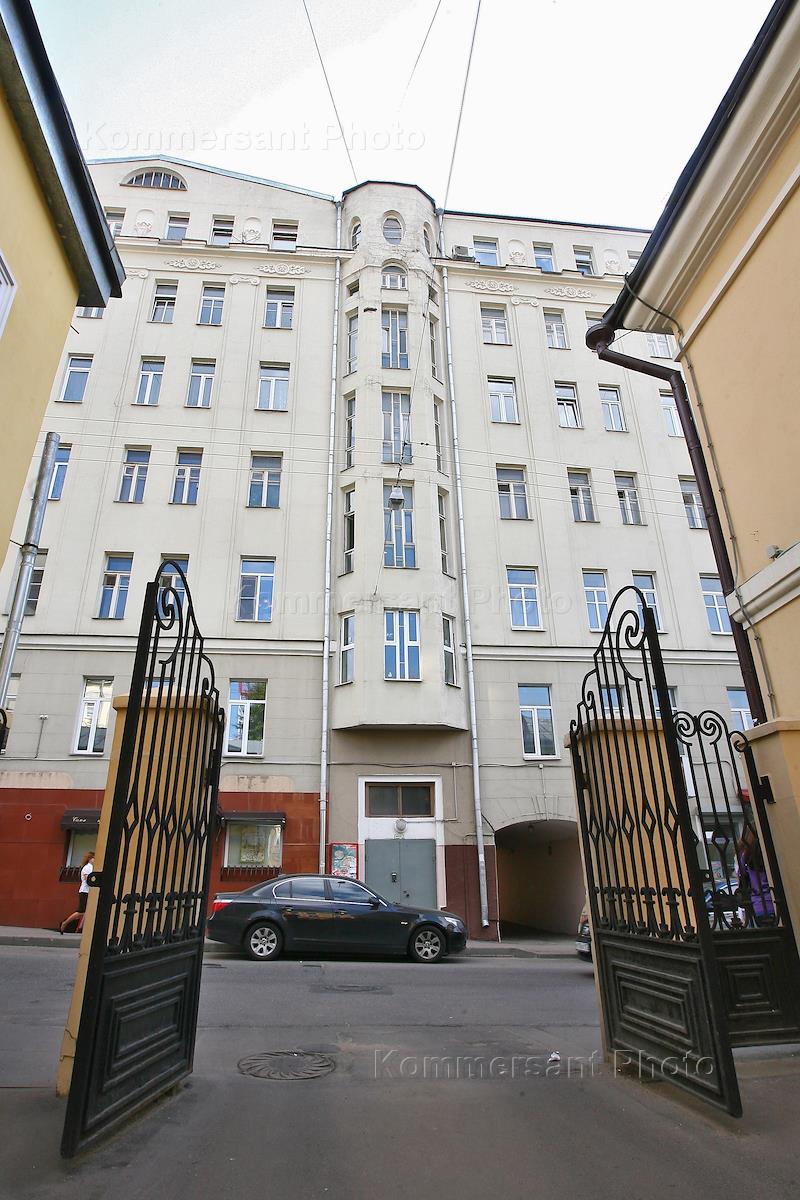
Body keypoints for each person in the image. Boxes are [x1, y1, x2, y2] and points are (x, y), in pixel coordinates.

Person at [59, 850, 94, 934]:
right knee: (81, 911)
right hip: (85, 892)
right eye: (94, 858)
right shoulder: (87, 867)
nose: (95, 860)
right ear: (90, 859)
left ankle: (83, 928)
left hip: (88, 892)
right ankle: (65, 923)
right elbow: (88, 879)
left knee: (87, 911)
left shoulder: (91, 867)